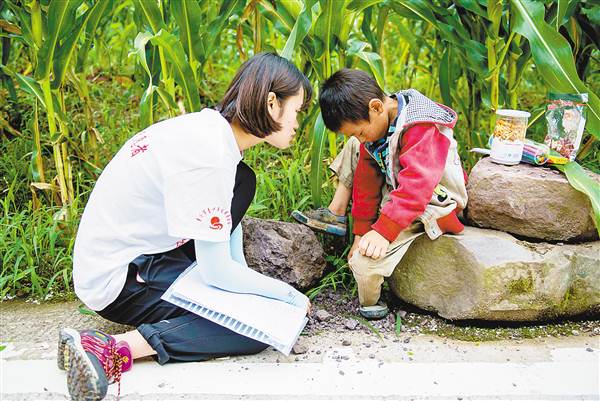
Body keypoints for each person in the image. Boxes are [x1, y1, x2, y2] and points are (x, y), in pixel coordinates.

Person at [58, 53, 313, 401]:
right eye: (297, 110)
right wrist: (288, 297)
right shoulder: (208, 156)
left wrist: (249, 292)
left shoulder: (214, 138)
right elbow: (217, 271)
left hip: (148, 254)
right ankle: (107, 349)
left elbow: (226, 242)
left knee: (244, 182)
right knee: (254, 332)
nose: (298, 122)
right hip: (119, 277)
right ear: (272, 103)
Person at [307, 68, 468, 319]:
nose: (362, 138)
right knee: (357, 149)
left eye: (360, 131)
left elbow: (417, 185)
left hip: (434, 199)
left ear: (376, 107)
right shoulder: (380, 123)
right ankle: (338, 214)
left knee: (363, 264)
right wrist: (361, 232)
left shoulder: (420, 126)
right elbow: (366, 181)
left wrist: (383, 231)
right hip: (400, 188)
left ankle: (371, 301)